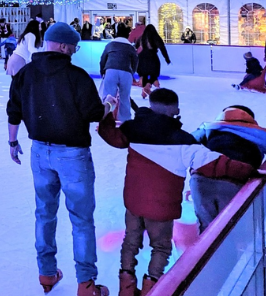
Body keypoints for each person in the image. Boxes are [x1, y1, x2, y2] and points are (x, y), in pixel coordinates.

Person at [96, 89, 256, 296]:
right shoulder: (184, 141)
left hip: (133, 204)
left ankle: (125, 288)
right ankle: (150, 289)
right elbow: (217, 164)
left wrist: (108, 112)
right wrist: (250, 170)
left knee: (130, 242)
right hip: (161, 209)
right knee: (161, 248)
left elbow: (109, 135)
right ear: (177, 110)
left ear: (151, 105)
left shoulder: (132, 129)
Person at [6, 22, 115, 296]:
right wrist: (109, 106)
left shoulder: (26, 72)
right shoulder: (76, 76)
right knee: (81, 219)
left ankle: (46, 274)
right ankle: (87, 284)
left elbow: (13, 109)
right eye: (75, 47)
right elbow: (93, 113)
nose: (75, 52)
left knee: (44, 213)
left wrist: (12, 141)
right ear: (65, 46)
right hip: (73, 155)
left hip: (39, 152)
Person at [191, 106, 266, 231]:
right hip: (234, 178)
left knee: (207, 231)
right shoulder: (255, 132)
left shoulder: (209, 127)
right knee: (232, 230)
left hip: (201, 178)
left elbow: (186, 144)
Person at [100, 27, 138, 122]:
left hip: (110, 70)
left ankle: (106, 119)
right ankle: (125, 120)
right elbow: (135, 61)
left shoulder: (110, 45)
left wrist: (103, 72)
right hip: (126, 71)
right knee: (125, 97)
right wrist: (132, 73)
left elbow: (103, 59)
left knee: (108, 96)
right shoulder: (130, 47)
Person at [135, 24, 170, 99]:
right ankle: (151, 88)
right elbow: (162, 48)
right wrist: (167, 59)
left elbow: (135, 48)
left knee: (144, 75)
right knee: (153, 75)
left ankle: (144, 90)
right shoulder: (155, 38)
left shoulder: (141, 38)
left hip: (142, 59)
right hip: (152, 58)